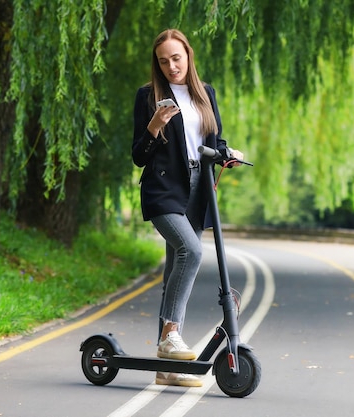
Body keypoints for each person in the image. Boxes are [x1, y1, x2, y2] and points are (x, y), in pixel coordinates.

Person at [132, 29, 243, 388]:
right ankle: (171, 334)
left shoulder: (204, 93)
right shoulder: (148, 97)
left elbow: (214, 141)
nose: (171, 66)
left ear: (188, 56)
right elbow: (138, 156)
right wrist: (153, 127)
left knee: (173, 274)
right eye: (163, 61)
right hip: (163, 189)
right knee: (190, 251)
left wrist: (230, 154)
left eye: (176, 58)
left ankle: (166, 368)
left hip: (198, 189)